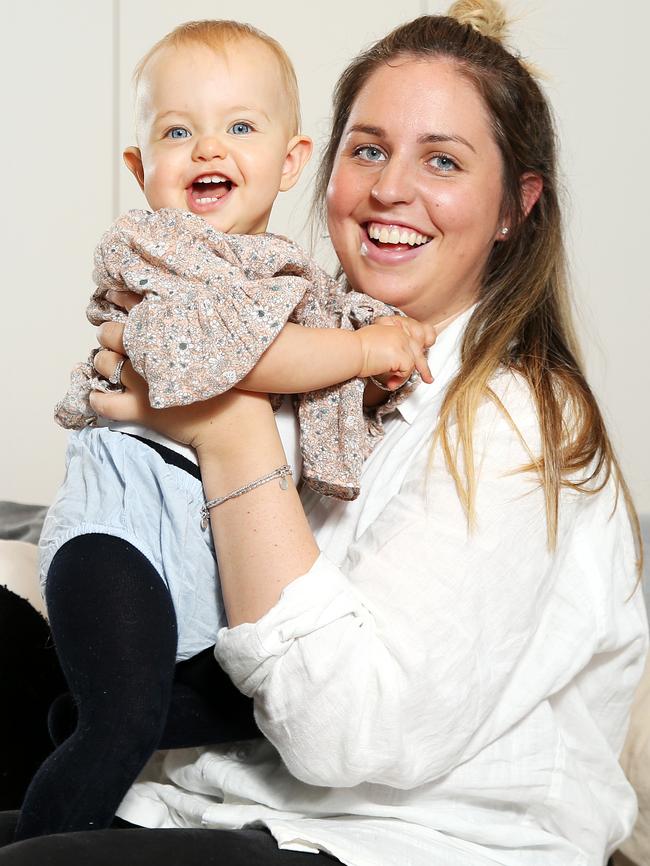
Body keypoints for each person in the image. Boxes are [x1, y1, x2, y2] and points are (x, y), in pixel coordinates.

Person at [0, 1, 646, 863]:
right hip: (233, 800)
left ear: (512, 208)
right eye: (369, 149)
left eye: (443, 160)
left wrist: (225, 424)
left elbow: (345, 737)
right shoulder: (328, 368)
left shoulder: (517, 424)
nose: (389, 189)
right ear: (324, 167)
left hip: (407, 841)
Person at [15, 18, 435, 842]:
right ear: (141, 169)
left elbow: (305, 369)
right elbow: (238, 356)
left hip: (206, 561)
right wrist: (357, 349)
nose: (208, 149)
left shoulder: (294, 278)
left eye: (239, 126)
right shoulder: (153, 248)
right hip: (121, 534)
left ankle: (85, 709)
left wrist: (371, 374)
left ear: (290, 160)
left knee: (256, 719)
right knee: (124, 721)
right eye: (178, 132)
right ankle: (46, 838)